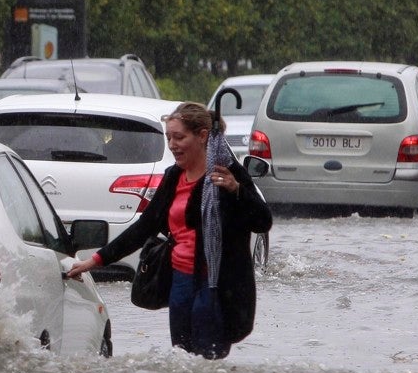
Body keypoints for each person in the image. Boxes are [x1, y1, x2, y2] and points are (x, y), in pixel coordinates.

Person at [67, 101, 272, 359]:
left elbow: (263, 221)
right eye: (168, 138)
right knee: (182, 360)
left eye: (179, 137)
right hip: (180, 282)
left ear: (202, 136)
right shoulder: (174, 177)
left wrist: (237, 190)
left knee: (207, 365)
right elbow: (145, 227)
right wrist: (94, 261)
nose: (173, 145)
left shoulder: (226, 173)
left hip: (217, 286)